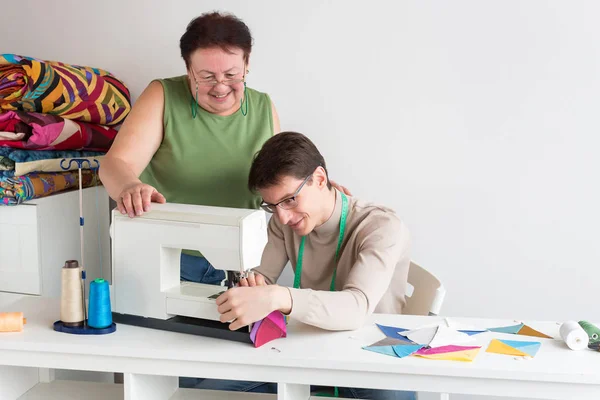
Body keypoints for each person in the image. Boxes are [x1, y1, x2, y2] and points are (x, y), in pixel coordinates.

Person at [205, 131, 414, 400]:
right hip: (309, 356)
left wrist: (278, 296)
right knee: (204, 386)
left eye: (290, 200)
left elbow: (356, 307)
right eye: (272, 206)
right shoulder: (285, 223)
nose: (282, 217)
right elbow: (261, 277)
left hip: (373, 363)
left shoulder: (381, 227)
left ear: (319, 179)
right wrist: (252, 286)